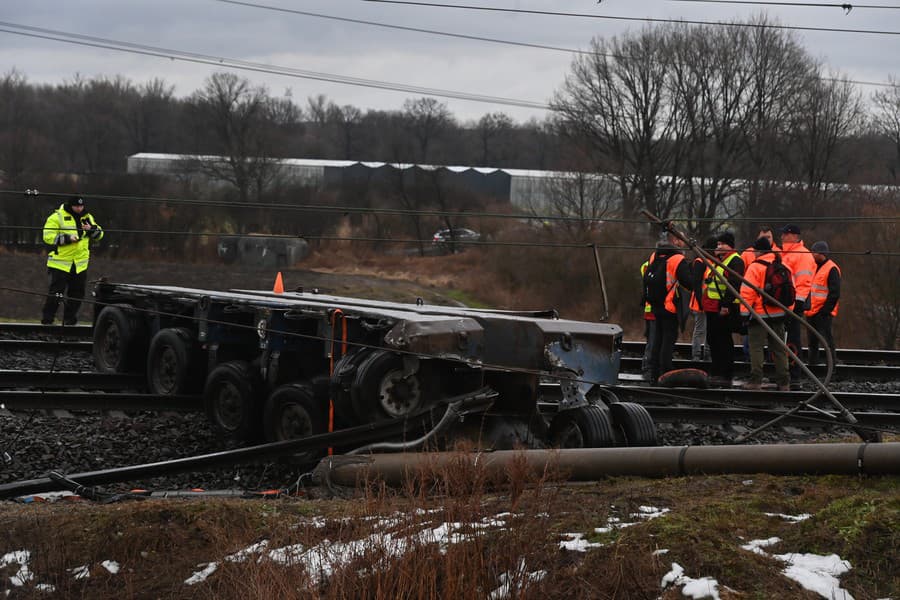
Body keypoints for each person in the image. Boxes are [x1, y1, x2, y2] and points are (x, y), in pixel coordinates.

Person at [41, 195, 103, 325]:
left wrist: (92, 229)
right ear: (70, 205)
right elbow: (48, 236)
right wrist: (67, 238)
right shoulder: (56, 217)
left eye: (81, 206)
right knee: (56, 293)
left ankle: (69, 320)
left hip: (80, 264)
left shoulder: (88, 217)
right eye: (77, 206)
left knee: (77, 294)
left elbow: (100, 235)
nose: (80, 208)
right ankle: (47, 320)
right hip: (60, 263)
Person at [740, 236, 790, 390]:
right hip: (779, 315)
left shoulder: (755, 267)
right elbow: (789, 291)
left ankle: (755, 381)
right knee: (780, 350)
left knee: (756, 348)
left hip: (759, 316)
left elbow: (747, 293)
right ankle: (784, 383)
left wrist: (744, 315)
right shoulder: (781, 265)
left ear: (758, 251)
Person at [645, 230, 693, 384]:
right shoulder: (678, 259)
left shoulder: (655, 255)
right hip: (670, 306)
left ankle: (654, 371)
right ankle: (666, 370)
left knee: (657, 338)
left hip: (655, 304)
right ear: (676, 241)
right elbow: (688, 282)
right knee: (668, 338)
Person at [703, 231, 744, 386]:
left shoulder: (735, 261)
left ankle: (725, 373)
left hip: (723, 308)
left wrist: (726, 305)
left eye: (722, 244)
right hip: (712, 307)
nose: (718, 247)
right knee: (713, 340)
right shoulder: (720, 260)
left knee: (723, 341)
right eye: (718, 244)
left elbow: (734, 285)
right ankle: (717, 370)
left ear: (730, 246)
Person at [779, 224, 816, 379]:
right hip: (784, 304)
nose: (782, 237)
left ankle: (794, 375)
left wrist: (798, 304)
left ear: (794, 236)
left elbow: (804, 281)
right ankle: (785, 372)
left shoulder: (802, 255)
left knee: (792, 340)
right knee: (783, 340)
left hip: (793, 305)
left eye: (785, 234)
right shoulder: (786, 254)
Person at [805, 240, 841, 367]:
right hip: (811, 311)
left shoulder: (831, 268)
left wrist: (825, 311)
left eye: (813, 252)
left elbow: (834, 293)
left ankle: (832, 367)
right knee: (812, 342)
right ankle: (813, 365)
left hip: (823, 313)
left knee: (827, 341)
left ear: (820, 253)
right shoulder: (814, 267)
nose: (811, 255)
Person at [690, 236, 719, 362]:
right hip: (700, 302)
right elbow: (696, 284)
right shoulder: (701, 262)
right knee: (701, 329)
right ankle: (697, 355)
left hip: (709, 302)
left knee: (709, 330)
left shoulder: (709, 261)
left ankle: (706, 354)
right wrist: (701, 302)